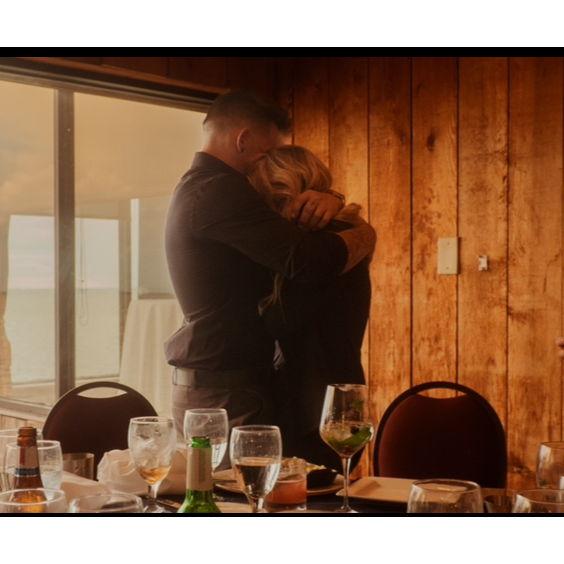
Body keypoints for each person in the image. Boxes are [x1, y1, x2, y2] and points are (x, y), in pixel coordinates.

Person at [164, 91, 376, 446]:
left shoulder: (199, 187)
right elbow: (307, 261)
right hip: (227, 391)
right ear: (243, 139)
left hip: (230, 387)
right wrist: (365, 234)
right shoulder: (221, 190)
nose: (262, 170)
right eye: (265, 154)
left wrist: (334, 202)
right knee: (240, 482)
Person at [248, 145, 374, 471]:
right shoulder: (343, 234)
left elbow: (282, 320)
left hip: (313, 410)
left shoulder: (315, 249)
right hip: (343, 396)